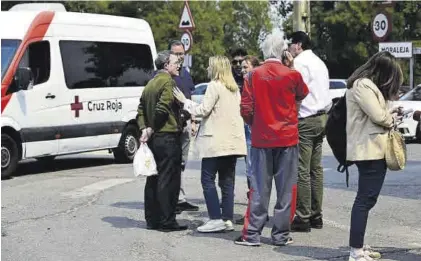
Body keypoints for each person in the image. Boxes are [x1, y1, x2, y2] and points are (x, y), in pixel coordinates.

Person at [235, 30, 309, 247]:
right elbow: (302, 93)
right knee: (286, 190)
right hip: (287, 137)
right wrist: (292, 66)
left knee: (259, 188)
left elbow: (246, 109)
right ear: (283, 52)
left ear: (264, 51)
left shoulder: (253, 75)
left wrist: (255, 125)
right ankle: (280, 235)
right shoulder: (291, 74)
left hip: (261, 138)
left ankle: (252, 235)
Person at [173, 56, 246, 233]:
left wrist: (185, 102)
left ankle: (215, 218)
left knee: (207, 180)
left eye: (209, 65)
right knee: (227, 182)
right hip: (232, 142)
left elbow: (203, 110)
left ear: (216, 68)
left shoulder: (214, 85)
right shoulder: (234, 88)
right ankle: (227, 218)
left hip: (215, 143)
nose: (207, 68)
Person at [345, 51, 403, 261]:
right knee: (364, 199)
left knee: (367, 198)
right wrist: (391, 118)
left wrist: (392, 113)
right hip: (368, 150)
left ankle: (358, 247)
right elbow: (378, 116)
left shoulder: (367, 85)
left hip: (372, 148)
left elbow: (379, 113)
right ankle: (355, 251)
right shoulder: (362, 85)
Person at [137, 50, 187, 232]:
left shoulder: (150, 83)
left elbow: (141, 109)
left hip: (154, 139)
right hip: (167, 137)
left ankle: (152, 220)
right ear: (166, 65)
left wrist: (145, 128)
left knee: (153, 179)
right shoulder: (167, 81)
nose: (179, 64)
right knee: (169, 180)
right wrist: (151, 128)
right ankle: (167, 221)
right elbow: (163, 108)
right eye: (175, 62)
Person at [286, 31, 332, 232]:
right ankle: (316, 215)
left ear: (298, 45)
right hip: (322, 117)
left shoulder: (299, 63)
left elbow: (294, 89)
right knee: (316, 169)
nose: (288, 49)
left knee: (302, 170)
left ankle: (303, 217)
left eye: (290, 45)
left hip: (305, 119)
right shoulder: (319, 62)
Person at [168, 40, 200, 214]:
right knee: (172, 162)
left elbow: (191, 98)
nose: (179, 57)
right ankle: (172, 199)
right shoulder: (167, 74)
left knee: (182, 163)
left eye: (181, 54)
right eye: (176, 54)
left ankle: (179, 198)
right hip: (172, 125)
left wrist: (193, 121)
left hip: (186, 124)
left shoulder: (186, 74)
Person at [235, 55, 261, 225]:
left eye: (246, 67)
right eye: (242, 67)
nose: (242, 69)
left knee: (253, 172)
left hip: (253, 131)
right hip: (247, 132)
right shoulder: (244, 84)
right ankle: (252, 209)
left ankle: (253, 212)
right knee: (249, 172)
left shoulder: (256, 84)